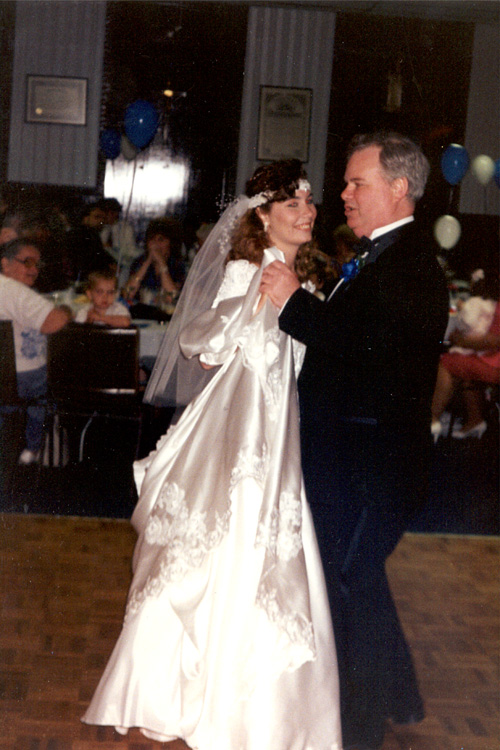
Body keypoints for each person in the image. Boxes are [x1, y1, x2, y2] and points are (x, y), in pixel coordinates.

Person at [82, 160, 342, 749]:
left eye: (308, 202)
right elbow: (203, 346)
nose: (307, 212)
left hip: (281, 430)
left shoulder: (301, 273)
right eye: (292, 204)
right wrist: (252, 303)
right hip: (243, 430)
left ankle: (260, 703)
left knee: (269, 547)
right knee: (231, 541)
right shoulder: (247, 270)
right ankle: (205, 694)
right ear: (263, 216)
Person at [260, 133, 449, 750]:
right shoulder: (384, 255)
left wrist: (294, 305)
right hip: (356, 462)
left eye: (355, 183)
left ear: (399, 188)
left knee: (347, 583)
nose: (342, 194)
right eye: (344, 183)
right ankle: (401, 697)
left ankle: (359, 730)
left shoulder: (410, 262)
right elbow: (359, 334)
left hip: (375, 468)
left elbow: (370, 354)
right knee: (357, 578)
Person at [0, 238, 71, 464]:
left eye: (37, 265)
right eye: (27, 262)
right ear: (6, 264)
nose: (33, 270)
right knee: (54, 383)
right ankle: (35, 448)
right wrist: (69, 309)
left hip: (5, 381)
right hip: (22, 379)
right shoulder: (16, 291)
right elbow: (53, 323)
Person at [431, 268, 499, 440]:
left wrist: (459, 341)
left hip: (495, 363)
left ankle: (432, 420)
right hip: (492, 358)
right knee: (464, 365)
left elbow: (493, 341)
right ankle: (475, 420)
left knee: (447, 362)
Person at [124, 217, 186, 310]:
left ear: (171, 243)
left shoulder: (177, 265)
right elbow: (128, 295)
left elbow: (172, 298)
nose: (155, 244)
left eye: (161, 240)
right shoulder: (139, 262)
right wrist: (147, 262)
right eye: (152, 239)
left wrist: (162, 264)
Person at [99, 198, 141, 288]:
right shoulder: (102, 229)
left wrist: (110, 250)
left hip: (122, 267)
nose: (105, 217)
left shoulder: (125, 228)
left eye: (110, 213)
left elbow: (130, 252)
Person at [66, 202, 112, 283]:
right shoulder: (83, 234)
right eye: (97, 217)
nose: (101, 221)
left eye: (103, 218)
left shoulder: (92, 234)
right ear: (85, 218)